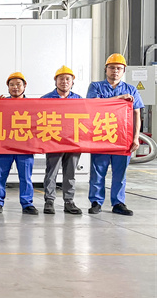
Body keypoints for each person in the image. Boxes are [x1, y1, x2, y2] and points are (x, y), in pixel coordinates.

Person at [86, 53, 144, 216]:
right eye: (112, 68)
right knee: (98, 171)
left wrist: (135, 138)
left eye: (119, 68)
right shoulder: (96, 87)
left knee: (120, 172)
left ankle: (118, 202)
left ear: (124, 70)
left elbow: (136, 114)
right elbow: (93, 104)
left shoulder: (131, 90)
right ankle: (96, 202)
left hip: (123, 138)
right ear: (106, 69)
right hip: (100, 136)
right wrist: (119, 98)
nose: (115, 71)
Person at [0, 72, 38, 215]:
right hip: (4, 145)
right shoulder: (1, 103)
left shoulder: (33, 105)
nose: (15, 87)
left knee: (26, 176)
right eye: (11, 85)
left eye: (18, 84)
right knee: (0, 175)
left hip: (25, 147)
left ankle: (27, 203)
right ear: (8, 87)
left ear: (25, 86)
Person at [41, 66, 83, 215]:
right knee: (51, 172)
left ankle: (69, 201)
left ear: (72, 82)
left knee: (70, 173)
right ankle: (49, 201)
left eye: (67, 79)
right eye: (61, 79)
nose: (64, 82)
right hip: (54, 142)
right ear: (55, 81)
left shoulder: (79, 100)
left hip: (73, 142)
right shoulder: (45, 99)